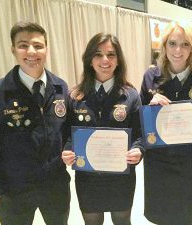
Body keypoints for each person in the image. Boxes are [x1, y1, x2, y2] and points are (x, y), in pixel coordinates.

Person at [0, 21, 70, 225]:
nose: (31, 51)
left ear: (46, 49)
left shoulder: (61, 88)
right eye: (23, 45)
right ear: (13, 50)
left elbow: (69, 132)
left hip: (55, 187)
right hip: (14, 191)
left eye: (38, 45)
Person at [61, 33, 144, 225]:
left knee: (122, 221)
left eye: (111, 54)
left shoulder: (130, 95)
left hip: (121, 178)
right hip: (88, 179)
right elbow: (68, 135)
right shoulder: (75, 96)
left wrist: (138, 150)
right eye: (98, 54)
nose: (105, 60)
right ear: (90, 60)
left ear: (118, 60)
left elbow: (139, 135)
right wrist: (67, 150)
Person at [140, 21, 192, 225]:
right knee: (159, 217)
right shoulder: (151, 76)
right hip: (158, 163)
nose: (178, 50)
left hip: (189, 165)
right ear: (164, 46)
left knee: (185, 217)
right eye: (172, 43)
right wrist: (150, 107)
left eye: (185, 44)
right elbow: (139, 120)